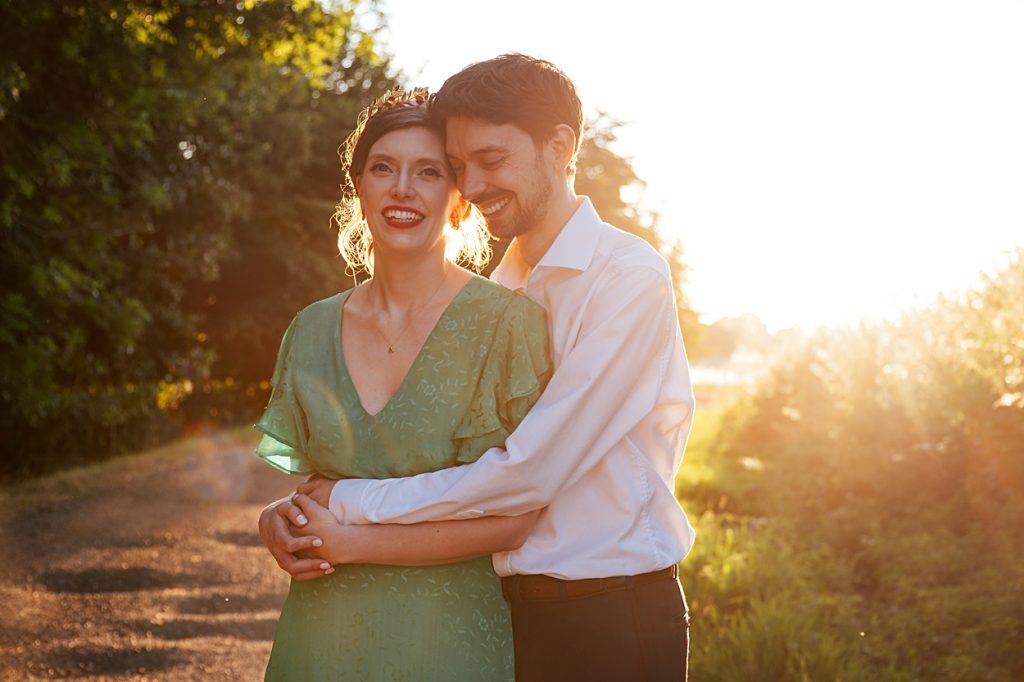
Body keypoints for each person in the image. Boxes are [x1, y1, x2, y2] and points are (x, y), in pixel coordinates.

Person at [272, 54, 697, 681]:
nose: (471, 186)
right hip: (509, 614)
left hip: (611, 611)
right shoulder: (504, 292)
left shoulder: (626, 279)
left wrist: (352, 505)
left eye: (491, 162)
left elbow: (529, 474)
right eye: (462, 166)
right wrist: (292, 512)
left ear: (560, 147)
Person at [253, 87, 552, 680]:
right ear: (359, 187)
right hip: (322, 642)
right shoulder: (311, 330)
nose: (403, 188)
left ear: (460, 200)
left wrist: (354, 543)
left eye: (429, 172)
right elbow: (324, 489)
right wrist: (276, 519)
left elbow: (518, 516)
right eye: (383, 168)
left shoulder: (508, 325)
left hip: (451, 643)